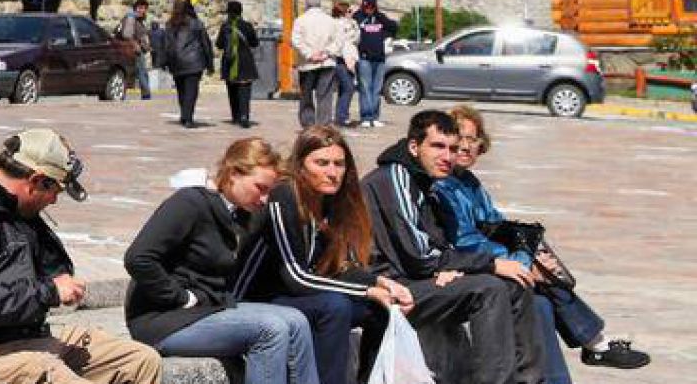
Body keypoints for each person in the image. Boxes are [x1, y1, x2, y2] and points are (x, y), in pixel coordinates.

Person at [0, 128, 161, 384]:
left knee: (140, 361)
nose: (54, 200)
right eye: (56, 190)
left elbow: (56, 268)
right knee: (48, 372)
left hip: (29, 342)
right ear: (36, 181)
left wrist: (58, 280)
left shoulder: (15, 207)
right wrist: (49, 292)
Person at [432, 107, 648, 375]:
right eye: (459, 139)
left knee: (541, 302)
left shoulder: (468, 182)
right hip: (460, 266)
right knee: (538, 289)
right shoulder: (443, 186)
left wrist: (529, 248)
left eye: (472, 140)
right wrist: (521, 259)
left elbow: (496, 226)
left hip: (484, 260)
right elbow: (465, 241)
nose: (465, 147)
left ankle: (583, 355)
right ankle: (595, 344)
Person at [362, 110, 545, 384]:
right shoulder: (395, 177)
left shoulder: (427, 181)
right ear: (414, 147)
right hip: (391, 285)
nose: (447, 156)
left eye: (452, 148)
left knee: (516, 284)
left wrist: (451, 268)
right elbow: (418, 255)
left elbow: (440, 245)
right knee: (489, 288)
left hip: (419, 278)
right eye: (437, 146)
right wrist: (488, 263)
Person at [125, 137, 317, 384]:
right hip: (164, 320)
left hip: (209, 309)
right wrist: (179, 297)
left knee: (297, 321)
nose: (265, 199)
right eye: (260, 188)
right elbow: (138, 258)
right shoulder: (190, 203)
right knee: (270, 330)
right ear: (234, 174)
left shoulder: (243, 214)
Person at [234, 126, 411, 384]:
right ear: (301, 166)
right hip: (257, 298)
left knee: (381, 309)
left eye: (339, 164)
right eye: (322, 163)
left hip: (298, 296)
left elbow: (337, 267)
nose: (332, 173)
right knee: (333, 306)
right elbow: (296, 275)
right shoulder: (284, 196)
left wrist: (380, 283)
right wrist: (367, 290)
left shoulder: (332, 201)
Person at [158, 0, 213, 129]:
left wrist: (163, 61)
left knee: (181, 90)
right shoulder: (196, 23)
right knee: (191, 91)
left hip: (176, 62)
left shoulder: (169, 24)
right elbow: (206, 44)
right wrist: (210, 63)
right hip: (194, 62)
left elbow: (165, 45)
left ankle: (184, 114)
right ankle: (187, 117)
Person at [288, 0, 340, 129]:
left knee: (306, 95)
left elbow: (296, 40)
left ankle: (308, 124)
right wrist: (326, 53)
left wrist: (310, 54)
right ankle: (324, 124)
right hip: (327, 62)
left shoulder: (300, 20)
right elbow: (339, 41)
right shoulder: (331, 21)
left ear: (307, 5)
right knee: (325, 95)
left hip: (307, 64)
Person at [348, 0, 396, 129]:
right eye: (366, 7)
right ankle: (366, 116)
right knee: (365, 88)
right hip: (364, 58)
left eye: (371, 7)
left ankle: (374, 117)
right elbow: (350, 30)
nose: (369, 9)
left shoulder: (380, 18)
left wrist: (381, 17)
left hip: (379, 58)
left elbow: (393, 27)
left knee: (376, 89)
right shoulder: (358, 17)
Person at [215, 1, 262, 128]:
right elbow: (255, 43)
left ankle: (235, 116)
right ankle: (244, 116)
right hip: (245, 62)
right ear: (240, 11)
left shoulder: (225, 26)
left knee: (232, 90)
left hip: (229, 63)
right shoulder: (247, 26)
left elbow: (218, 44)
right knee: (244, 91)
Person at [326, 2, 358, 127]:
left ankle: (342, 116)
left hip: (350, 57)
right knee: (348, 88)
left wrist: (352, 23)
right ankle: (341, 117)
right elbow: (341, 42)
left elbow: (356, 39)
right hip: (341, 59)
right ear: (343, 11)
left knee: (344, 89)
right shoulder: (337, 24)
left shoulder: (351, 23)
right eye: (348, 10)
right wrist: (347, 60)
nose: (351, 12)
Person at [116, 0, 154, 101]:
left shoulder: (139, 20)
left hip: (135, 49)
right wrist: (136, 45)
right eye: (140, 8)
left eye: (145, 8)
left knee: (136, 72)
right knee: (142, 72)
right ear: (135, 8)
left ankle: (122, 93)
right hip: (134, 50)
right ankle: (146, 94)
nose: (142, 10)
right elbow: (127, 34)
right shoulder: (131, 18)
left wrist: (146, 46)